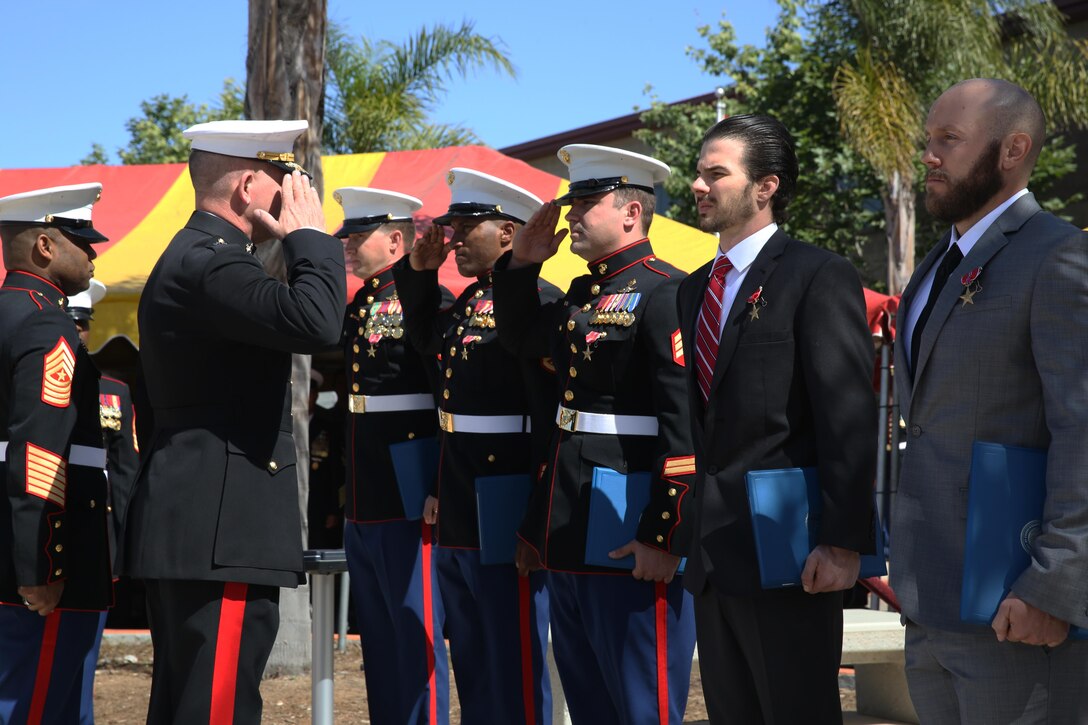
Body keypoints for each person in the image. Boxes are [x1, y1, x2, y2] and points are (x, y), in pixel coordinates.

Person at [124, 119, 346, 724]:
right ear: (248, 186)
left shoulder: (200, 258)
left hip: (207, 525)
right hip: (222, 528)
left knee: (192, 704)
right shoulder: (213, 265)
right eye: (282, 178)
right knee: (216, 708)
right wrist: (310, 238)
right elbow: (318, 321)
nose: (292, 192)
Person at [892, 78, 1088, 722]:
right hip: (930, 600)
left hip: (1017, 608)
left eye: (950, 139)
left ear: (1013, 149)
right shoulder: (933, 267)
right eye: (929, 139)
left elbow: (1082, 432)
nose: (929, 155)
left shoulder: (1060, 255)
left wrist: (1054, 585)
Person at [676, 115, 876, 724]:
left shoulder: (817, 274)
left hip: (790, 553)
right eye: (699, 172)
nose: (698, 186)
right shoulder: (694, 290)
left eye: (716, 173)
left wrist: (843, 543)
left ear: (765, 187)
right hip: (712, 558)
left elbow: (847, 416)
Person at [492, 144, 698, 724]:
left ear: (632, 212)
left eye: (586, 203)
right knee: (589, 705)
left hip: (631, 525)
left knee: (642, 704)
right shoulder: (583, 293)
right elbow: (521, 340)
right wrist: (521, 265)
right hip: (570, 521)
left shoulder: (667, 291)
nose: (572, 215)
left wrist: (665, 533)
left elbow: (684, 425)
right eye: (572, 202)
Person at [392, 169, 558, 724]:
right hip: (460, 492)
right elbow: (425, 343)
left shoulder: (538, 300)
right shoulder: (467, 302)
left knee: (512, 651)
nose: (455, 239)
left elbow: (547, 418)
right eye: (453, 227)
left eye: (467, 228)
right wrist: (420, 273)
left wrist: (537, 511)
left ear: (509, 233)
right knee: (471, 650)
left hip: (508, 492)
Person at [334, 186, 450, 724]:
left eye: (359, 236)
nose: (348, 245)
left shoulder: (425, 301)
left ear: (397, 241)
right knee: (378, 632)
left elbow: (447, 399)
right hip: (367, 486)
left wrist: (438, 483)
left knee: (415, 626)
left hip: (410, 485)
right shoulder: (361, 303)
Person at [0, 183, 112, 723]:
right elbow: (41, 449)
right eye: (82, 241)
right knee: (39, 708)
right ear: (45, 246)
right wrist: (42, 563)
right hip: (42, 562)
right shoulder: (47, 323)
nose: (93, 254)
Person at [66, 278, 142, 724]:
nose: (78, 331)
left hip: (98, 530)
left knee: (84, 649)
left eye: (82, 324)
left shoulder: (114, 392)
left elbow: (127, 468)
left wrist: (125, 541)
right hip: (43, 523)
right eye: (70, 322)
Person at [305, 369, 344, 551]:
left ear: (315, 395)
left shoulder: (328, 429)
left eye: (308, 393)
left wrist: (334, 510)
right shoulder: (286, 424)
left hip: (319, 504)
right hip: (291, 500)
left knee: (318, 548)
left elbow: (336, 471)